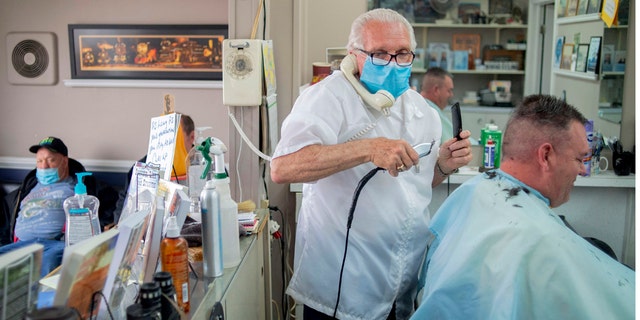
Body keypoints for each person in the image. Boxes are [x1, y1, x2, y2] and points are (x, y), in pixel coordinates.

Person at [270, 8, 472, 320]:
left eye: (402, 53)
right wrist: (365, 149)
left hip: (401, 285)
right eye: (379, 54)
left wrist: (442, 165)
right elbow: (283, 168)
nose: (393, 63)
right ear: (353, 56)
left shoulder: (423, 110)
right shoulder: (326, 98)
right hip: (342, 288)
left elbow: (414, 184)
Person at [412, 95, 635, 319]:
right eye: (579, 159)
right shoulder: (535, 240)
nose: (583, 171)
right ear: (546, 155)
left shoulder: (473, 190)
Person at [0, 137, 91, 277]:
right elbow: (6, 221)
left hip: (55, 245)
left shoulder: (78, 186)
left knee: (48, 262)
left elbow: (98, 214)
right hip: (22, 244)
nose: (44, 166)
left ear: (64, 161)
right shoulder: (24, 190)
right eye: (39, 161)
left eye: (50, 160)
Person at [420, 67, 454, 143]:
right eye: (449, 90)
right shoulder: (430, 111)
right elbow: (452, 141)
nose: (451, 95)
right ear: (436, 90)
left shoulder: (420, 105)